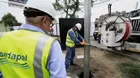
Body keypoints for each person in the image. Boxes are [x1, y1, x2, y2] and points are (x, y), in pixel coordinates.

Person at [0, 0, 66, 78]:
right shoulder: (51, 45)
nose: (50, 28)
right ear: (45, 21)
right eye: (50, 24)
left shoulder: (3, 38)